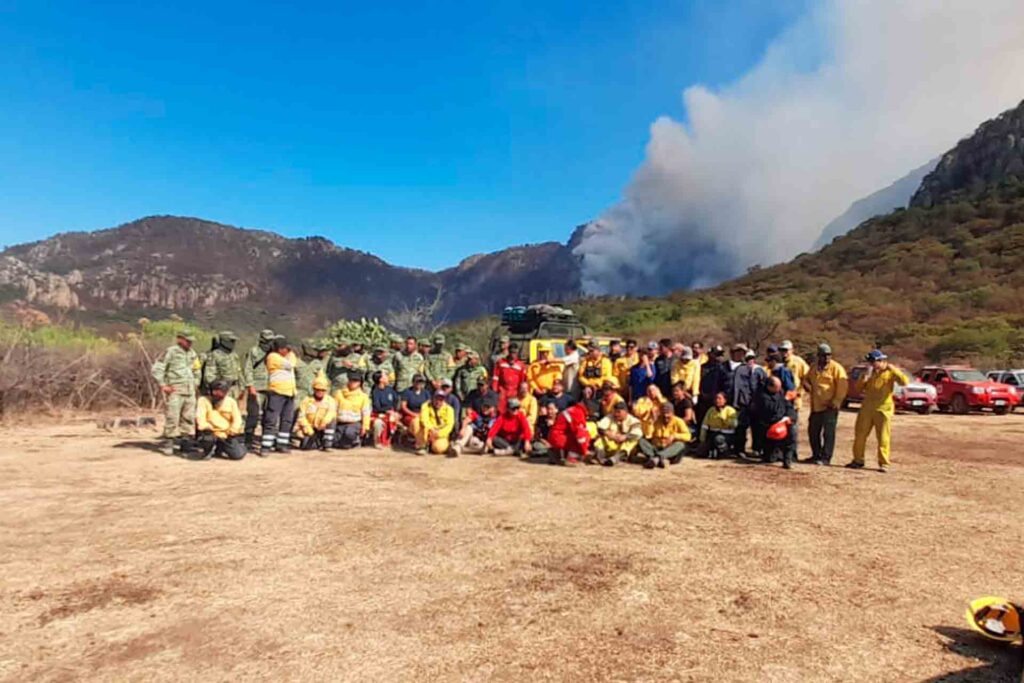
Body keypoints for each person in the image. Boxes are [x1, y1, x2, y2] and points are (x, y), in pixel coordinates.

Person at [848, 350, 908, 473]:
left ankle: (884, 463)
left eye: (873, 361)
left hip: (883, 409)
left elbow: (904, 382)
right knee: (860, 435)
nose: (872, 364)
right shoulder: (868, 372)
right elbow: (858, 389)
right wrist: (865, 377)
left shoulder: (889, 372)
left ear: (881, 361)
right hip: (867, 409)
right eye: (870, 362)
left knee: (883, 438)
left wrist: (894, 370)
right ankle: (858, 460)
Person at [151, 330, 201, 456]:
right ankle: (169, 444)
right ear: (180, 339)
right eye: (187, 340)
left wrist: (196, 382)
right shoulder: (171, 351)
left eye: (191, 340)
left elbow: (196, 369)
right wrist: (163, 385)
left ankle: (186, 445)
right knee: (172, 417)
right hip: (176, 390)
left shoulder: (192, 353)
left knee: (188, 418)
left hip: (189, 391)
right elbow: (157, 369)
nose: (190, 343)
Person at [805, 343, 848, 465]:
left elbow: (842, 387)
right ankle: (816, 454)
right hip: (816, 406)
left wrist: (836, 401)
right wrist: (807, 387)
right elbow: (806, 379)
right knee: (813, 431)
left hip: (830, 406)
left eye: (829, 355)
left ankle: (826, 457)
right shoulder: (813, 368)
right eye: (824, 355)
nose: (827, 358)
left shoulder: (836, 368)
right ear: (818, 356)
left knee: (828, 433)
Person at [261, 336, 300, 455]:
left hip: (290, 392)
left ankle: (282, 444)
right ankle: (265, 447)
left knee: (287, 420)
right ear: (278, 349)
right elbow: (291, 364)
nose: (287, 351)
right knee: (271, 420)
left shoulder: (284, 356)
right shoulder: (273, 357)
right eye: (284, 348)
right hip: (277, 392)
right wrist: (292, 353)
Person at [241, 328, 275, 452]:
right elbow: (248, 369)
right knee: (253, 415)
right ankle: (248, 440)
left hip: (271, 388)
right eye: (267, 341)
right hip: (257, 388)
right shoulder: (254, 351)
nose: (269, 343)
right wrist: (250, 386)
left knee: (269, 416)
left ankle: (266, 441)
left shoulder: (274, 353)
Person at [194, 379, 246, 460]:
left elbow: (237, 419)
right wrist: (206, 427)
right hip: (210, 432)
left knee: (238, 455)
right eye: (217, 391)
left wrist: (233, 430)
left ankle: (221, 448)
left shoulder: (231, 401)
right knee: (207, 438)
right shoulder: (203, 400)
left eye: (223, 391)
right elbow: (200, 417)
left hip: (226, 433)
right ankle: (208, 451)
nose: (220, 393)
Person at [732, 349, 767, 456]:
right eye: (748, 358)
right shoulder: (739, 370)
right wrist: (736, 402)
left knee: (757, 428)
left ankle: (757, 449)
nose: (750, 360)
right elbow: (736, 387)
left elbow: (764, 387)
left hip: (756, 405)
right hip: (743, 404)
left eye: (752, 358)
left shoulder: (760, 370)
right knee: (741, 427)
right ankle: (740, 449)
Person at [780, 339, 810, 461]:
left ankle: (792, 454)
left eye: (786, 350)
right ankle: (781, 453)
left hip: (793, 402)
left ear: (792, 350)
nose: (784, 353)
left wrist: (800, 392)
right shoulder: (778, 362)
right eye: (782, 350)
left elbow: (807, 378)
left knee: (792, 429)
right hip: (780, 401)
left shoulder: (798, 362)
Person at [638, 401, 692, 468]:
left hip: (670, 451)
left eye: (668, 416)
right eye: (664, 415)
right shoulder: (656, 421)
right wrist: (650, 423)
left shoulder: (679, 421)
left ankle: (658, 458)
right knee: (641, 441)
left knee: (681, 445)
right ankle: (658, 459)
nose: (666, 418)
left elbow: (688, 436)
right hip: (656, 448)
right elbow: (648, 435)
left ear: (673, 413)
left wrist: (674, 436)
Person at [757, 376, 796, 468]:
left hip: (783, 422)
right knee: (770, 458)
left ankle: (788, 459)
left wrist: (789, 417)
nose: (779, 389)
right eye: (776, 387)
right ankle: (772, 454)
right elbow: (771, 409)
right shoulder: (762, 396)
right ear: (769, 387)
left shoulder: (780, 393)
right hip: (769, 424)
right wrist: (784, 399)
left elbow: (789, 407)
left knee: (792, 433)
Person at [593, 401, 643, 466]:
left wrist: (625, 437)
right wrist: (607, 433)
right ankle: (600, 457)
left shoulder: (633, 420)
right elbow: (600, 427)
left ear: (626, 412)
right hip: (611, 445)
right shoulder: (610, 417)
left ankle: (615, 458)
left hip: (624, 448)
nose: (616, 414)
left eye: (619, 412)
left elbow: (638, 433)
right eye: (615, 412)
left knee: (633, 441)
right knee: (601, 439)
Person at [295, 376, 338, 450]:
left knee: (332, 420)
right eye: (318, 390)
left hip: (324, 427)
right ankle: (317, 442)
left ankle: (327, 444)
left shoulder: (330, 400)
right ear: (314, 389)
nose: (320, 392)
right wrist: (309, 431)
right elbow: (301, 417)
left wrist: (324, 422)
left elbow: (331, 413)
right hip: (310, 428)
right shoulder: (306, 401)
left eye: (323, 390)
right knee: (306, 446)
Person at [547, 397, 591, 466]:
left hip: (555, 436)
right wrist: (584, 451)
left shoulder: (573, 409)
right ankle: (571, 459)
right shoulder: (578, 413)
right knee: (584, 436)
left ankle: (557, 453)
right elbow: (580, 435)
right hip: (558, 437)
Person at [202, 330, 243, 403]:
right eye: (231, 341)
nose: (233, 343)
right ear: (224, 341)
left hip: (234, 388)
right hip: (221, 390)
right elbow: (209, 376)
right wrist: (217, 389)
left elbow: (239, 371)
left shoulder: (234, 355)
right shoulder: (214, 355)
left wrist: (241, 387)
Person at [333, 372, 371, 449]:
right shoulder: (339, 393)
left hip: (354, 423)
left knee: (349, 434)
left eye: (356, 381)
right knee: (334, 439)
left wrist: (365, 427)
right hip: (340, 422)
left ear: (360, 383)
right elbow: (333, 409)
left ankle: (356, 440)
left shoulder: (363, 397)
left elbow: (366, 413)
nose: (353, 382)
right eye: (351, 380)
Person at [697, 346, 733, 425]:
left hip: (717, 401)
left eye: (720, 355)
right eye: (716, 354)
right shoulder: (702, 367)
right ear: (710, 355)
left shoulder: (724, 368)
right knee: (702, 423)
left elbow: (727, 385)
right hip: (703, 401)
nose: (718, 357)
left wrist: (722, 397)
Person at [697, 392, 738, 459]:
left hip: (726, 435)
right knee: (701, 452)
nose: (717, 400)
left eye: (719, 398)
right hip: (713, 433)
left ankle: (725, 451)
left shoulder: (730, 410)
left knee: (719, 439)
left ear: (725, 400)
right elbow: (704, 425)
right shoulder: (711, 410)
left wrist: (724, 419)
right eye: (716, 398)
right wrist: (702, 440)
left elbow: (735, 424)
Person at [417, 390, 456, 456]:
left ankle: (443, 445)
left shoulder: (449, 409)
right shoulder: (426, 406)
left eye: (441, 400)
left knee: (438, 448)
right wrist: (431, 430)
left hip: (441, 434)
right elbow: (424, 420)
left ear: (444, 400)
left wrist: (438, 434)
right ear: (433, 398)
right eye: (436, 399)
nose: (438, 401)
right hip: (428, 431)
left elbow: (449, 426)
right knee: (416, 422)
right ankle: (423, 446)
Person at [370, 370, 400, 448]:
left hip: (391, 413)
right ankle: (378, 441)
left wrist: (395, 411)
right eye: (385, 376)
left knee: (396, 417)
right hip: (379, 413)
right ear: (381, 379)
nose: (387, 377)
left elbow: (396, 400)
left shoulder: (390, 389)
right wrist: (387, 411)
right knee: (378, 422)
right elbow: (376, 407)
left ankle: (394, 440)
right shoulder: (375, 391)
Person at [491, 343, 527, 410]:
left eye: (515, 353)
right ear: (508, 352)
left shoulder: (521, 365)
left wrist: (520, 393)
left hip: (515, 392)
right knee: (501, 410)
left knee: (513, 410)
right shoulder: (500, 363)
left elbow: (522, 380)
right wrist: (495, 391)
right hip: (502, 392)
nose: (513, 355)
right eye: (511, 352)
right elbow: (495, 378)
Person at [399, 373, 431, 445]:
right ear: (413, 382)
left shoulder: (426, 392)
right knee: (416, 422)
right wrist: (414, 414)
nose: (419, 384)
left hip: (423, 414)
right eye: (417, 382)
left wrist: (423, 414)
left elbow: (429, 405)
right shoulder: (407, 392)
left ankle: (427, 440)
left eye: (421, 382)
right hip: (410, 414)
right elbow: (403, 406)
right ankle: (420, 443)